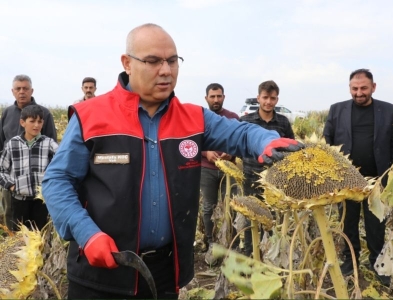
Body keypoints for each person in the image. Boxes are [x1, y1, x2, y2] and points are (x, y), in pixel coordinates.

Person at [42, 23, 303, 299]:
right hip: (103, 271)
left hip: (166, 271)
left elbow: (240, 133)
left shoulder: (193, 118)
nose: (166, 70)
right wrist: (86, 234)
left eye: (172, 61)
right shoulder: (90, 116)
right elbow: (57, 181)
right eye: (153, 61)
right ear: (127, 63)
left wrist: (265, 141)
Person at [323, 68, 393, 286]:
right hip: (347, 181)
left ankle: (378, 264)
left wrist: (392, 171)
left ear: (373, 87)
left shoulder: (387, 110)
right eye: (354, 88)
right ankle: (350, 262)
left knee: (376, 224)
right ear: (350, 88)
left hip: (377, 180)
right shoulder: (337, 110)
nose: (359, 93)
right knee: (348, 222)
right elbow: (327, 140)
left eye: (363, 88)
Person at [240, 80, 295, 257]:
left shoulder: (283, 123)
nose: (268, 102)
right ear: (258, 98)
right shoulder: (246, 121)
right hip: (250, 176)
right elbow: (239, 145)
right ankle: (251, 253)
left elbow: (289, 146)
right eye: (265, 98)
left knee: (272, 218)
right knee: (251, 217)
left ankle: (270, 254)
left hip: (273, 180)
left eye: (272, 98)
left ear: (277, 99)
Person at [0, 75, 57, 230]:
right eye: (18, 89)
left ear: (31, 90)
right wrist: (10, 184)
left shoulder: (43, 113)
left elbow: (54, 152)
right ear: (13, 91)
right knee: (13, 222)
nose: (22, 92)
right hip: (15, 184)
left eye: (25, 88)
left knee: (40, 230)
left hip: (39, 191)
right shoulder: (7, 113)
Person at [200, 83, 239, 265]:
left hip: (229, 171)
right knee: (209, 206)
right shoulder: (199, 118)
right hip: (207, 169)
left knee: (230, 207)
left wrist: (231, 153)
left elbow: (240, 140)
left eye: (219, 96)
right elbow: (192, 143)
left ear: (224, 97)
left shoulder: (232, 118)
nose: (216, 100)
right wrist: (206, 153)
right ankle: (212, 243)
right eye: (212, 96)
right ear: (206, 98)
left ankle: (230, 243)